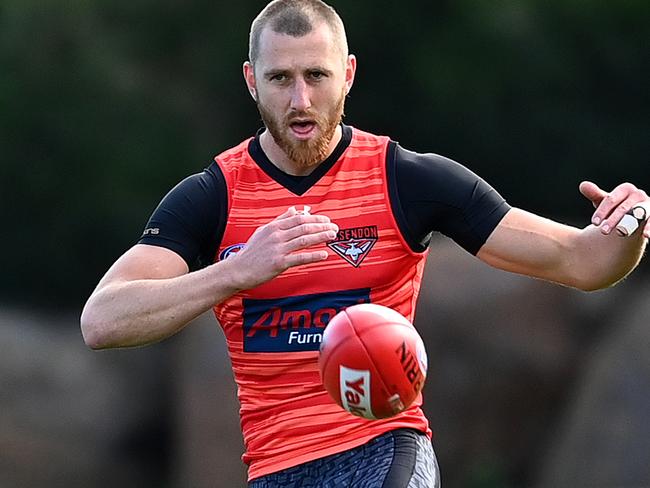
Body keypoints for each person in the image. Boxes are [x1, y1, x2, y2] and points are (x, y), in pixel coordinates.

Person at [80, 0, 649, 486]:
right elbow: (102, 321)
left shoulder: (409, 180)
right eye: (280, 79)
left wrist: (628, 228)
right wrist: (235, 272)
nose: (300, 100)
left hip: (384, 449)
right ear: (252, 80)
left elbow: (582, 260)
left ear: (347, 75)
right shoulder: (212, 197)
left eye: (317, 76)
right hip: (274, 468)